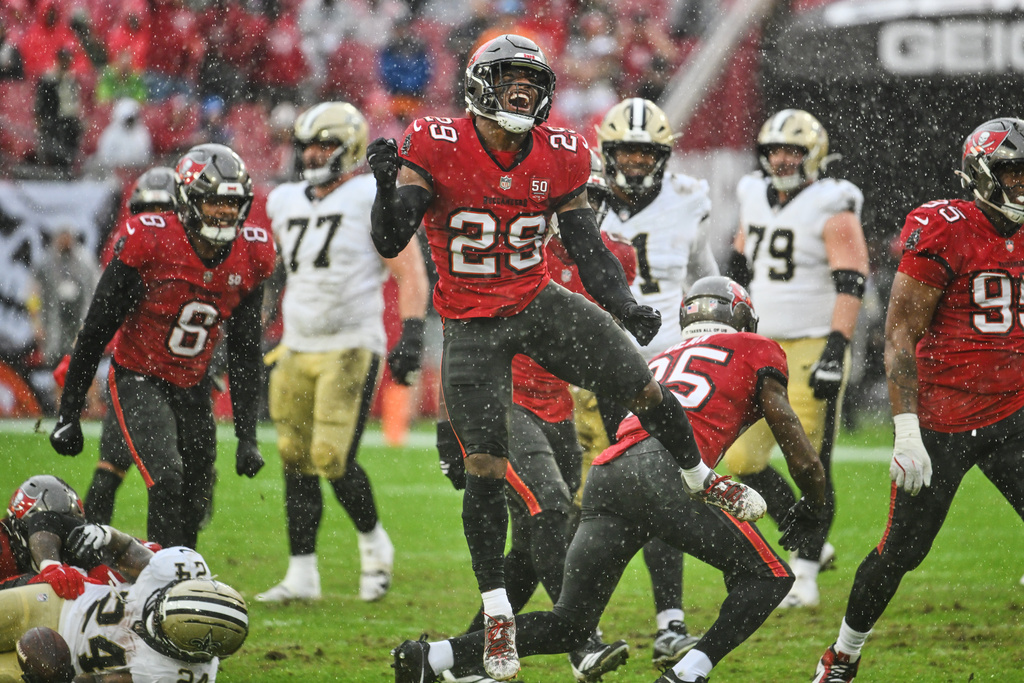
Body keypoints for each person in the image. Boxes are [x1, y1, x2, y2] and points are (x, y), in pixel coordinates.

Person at [367, 33, 765, 680]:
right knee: (488, 472)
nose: (522, 91)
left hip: (536, 301)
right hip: (471, 323)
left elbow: (587, 248)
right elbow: (391, 234)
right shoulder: (437, 141)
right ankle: (497, 612)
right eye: (509, 80)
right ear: (478, 85)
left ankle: (700, 477)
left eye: (531, 81)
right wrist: (387, 188)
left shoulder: (562, 151)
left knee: (641, 384)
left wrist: (626, 304)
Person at [391, 276, 829, 683]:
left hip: (611, 472)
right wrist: (813, 503)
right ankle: (687, 672)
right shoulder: (756, 348)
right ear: (743, 318)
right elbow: (798, 447)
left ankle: (433, 657)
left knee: (570, 623)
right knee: (769, 577)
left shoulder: (664, 356)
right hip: (670, 467)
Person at [809, 117, 1024, 682]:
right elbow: (900, 334)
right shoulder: (944, 225)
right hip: (942, 419)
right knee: (900, 552)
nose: (1023, 185)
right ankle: (842, 656)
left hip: (1013, 412)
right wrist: (906, 430)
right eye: (1013, 174)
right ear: (983, 175)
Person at [435, 151, 637, 683]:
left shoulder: (610, 260)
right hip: (502, 403)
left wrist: (622, 427)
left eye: (596, 201)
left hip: (559, 408)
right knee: (549, 508)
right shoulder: (511, 247)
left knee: (529, 547)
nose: (589, 211)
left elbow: (608, 358)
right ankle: (581, 642)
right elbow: (464, 334)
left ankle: (456, 658)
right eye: (582, 199)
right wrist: (446, 425)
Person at [49, 143, 277, 550]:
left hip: (192, 382)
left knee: (196, 489)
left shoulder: (250, 254)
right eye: (214, 202)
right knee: (167, 478)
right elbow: (98, 328)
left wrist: (247, 437)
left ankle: (181, 578)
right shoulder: (152, 241)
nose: (225, 212)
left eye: (232, 203)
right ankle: (160, 583)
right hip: (139, 374)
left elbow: (244, 353)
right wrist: (69, 411)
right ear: (189, 201)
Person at [256, 102, 428, 605]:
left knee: (332, 457)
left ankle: (376, 547)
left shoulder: (365, 196)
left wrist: (412, 333)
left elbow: (409, 271)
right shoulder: (285, 200)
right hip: (297, 343)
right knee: (292, 458)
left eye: (323, 145)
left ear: (347, 148)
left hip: (352, 343)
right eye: (306, 145)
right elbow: (280, 272)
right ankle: (302, 575)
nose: (311, 154)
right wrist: (261, 324)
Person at [726, 108, 868, 608]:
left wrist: (837, 346)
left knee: (810, 459)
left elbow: (851, 277)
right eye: (774, 151)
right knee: (739, 457)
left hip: (811, 345)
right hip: (761, 344)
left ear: (814, 156)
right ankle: (811, 537)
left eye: (792, 151)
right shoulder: (750, 192)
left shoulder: (833, 201)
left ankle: (804, 571)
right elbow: (741, 261)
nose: (782, 159)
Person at [596, 96, 720, 668]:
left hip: (664, 362)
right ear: (608, 150)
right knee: (584, 495)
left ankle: (670, 620)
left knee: (659, 490)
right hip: (591, 360)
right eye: (628, 150)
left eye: (648, 151)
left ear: (664, 155)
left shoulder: (688, 200)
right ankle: (580, 622)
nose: (638, 161)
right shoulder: (581, 198)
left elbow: (703, 273)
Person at [77, 167, 178, 526]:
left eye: (162, 211)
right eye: (145, 211)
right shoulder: (131, 247)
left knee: (170, 479)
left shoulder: (177, 255)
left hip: (170, 376)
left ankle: (169, 559)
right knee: (116, 469)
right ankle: (94, 549)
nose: (152, 221)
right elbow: (104, 313)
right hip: (136, 374)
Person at [0, 541, 248, 682]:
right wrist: (102, 535)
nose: (152, 617)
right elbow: (126, 548)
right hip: (61, 603)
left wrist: (57, 679)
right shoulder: (179, 570)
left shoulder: (169, 676)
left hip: (63, 663)